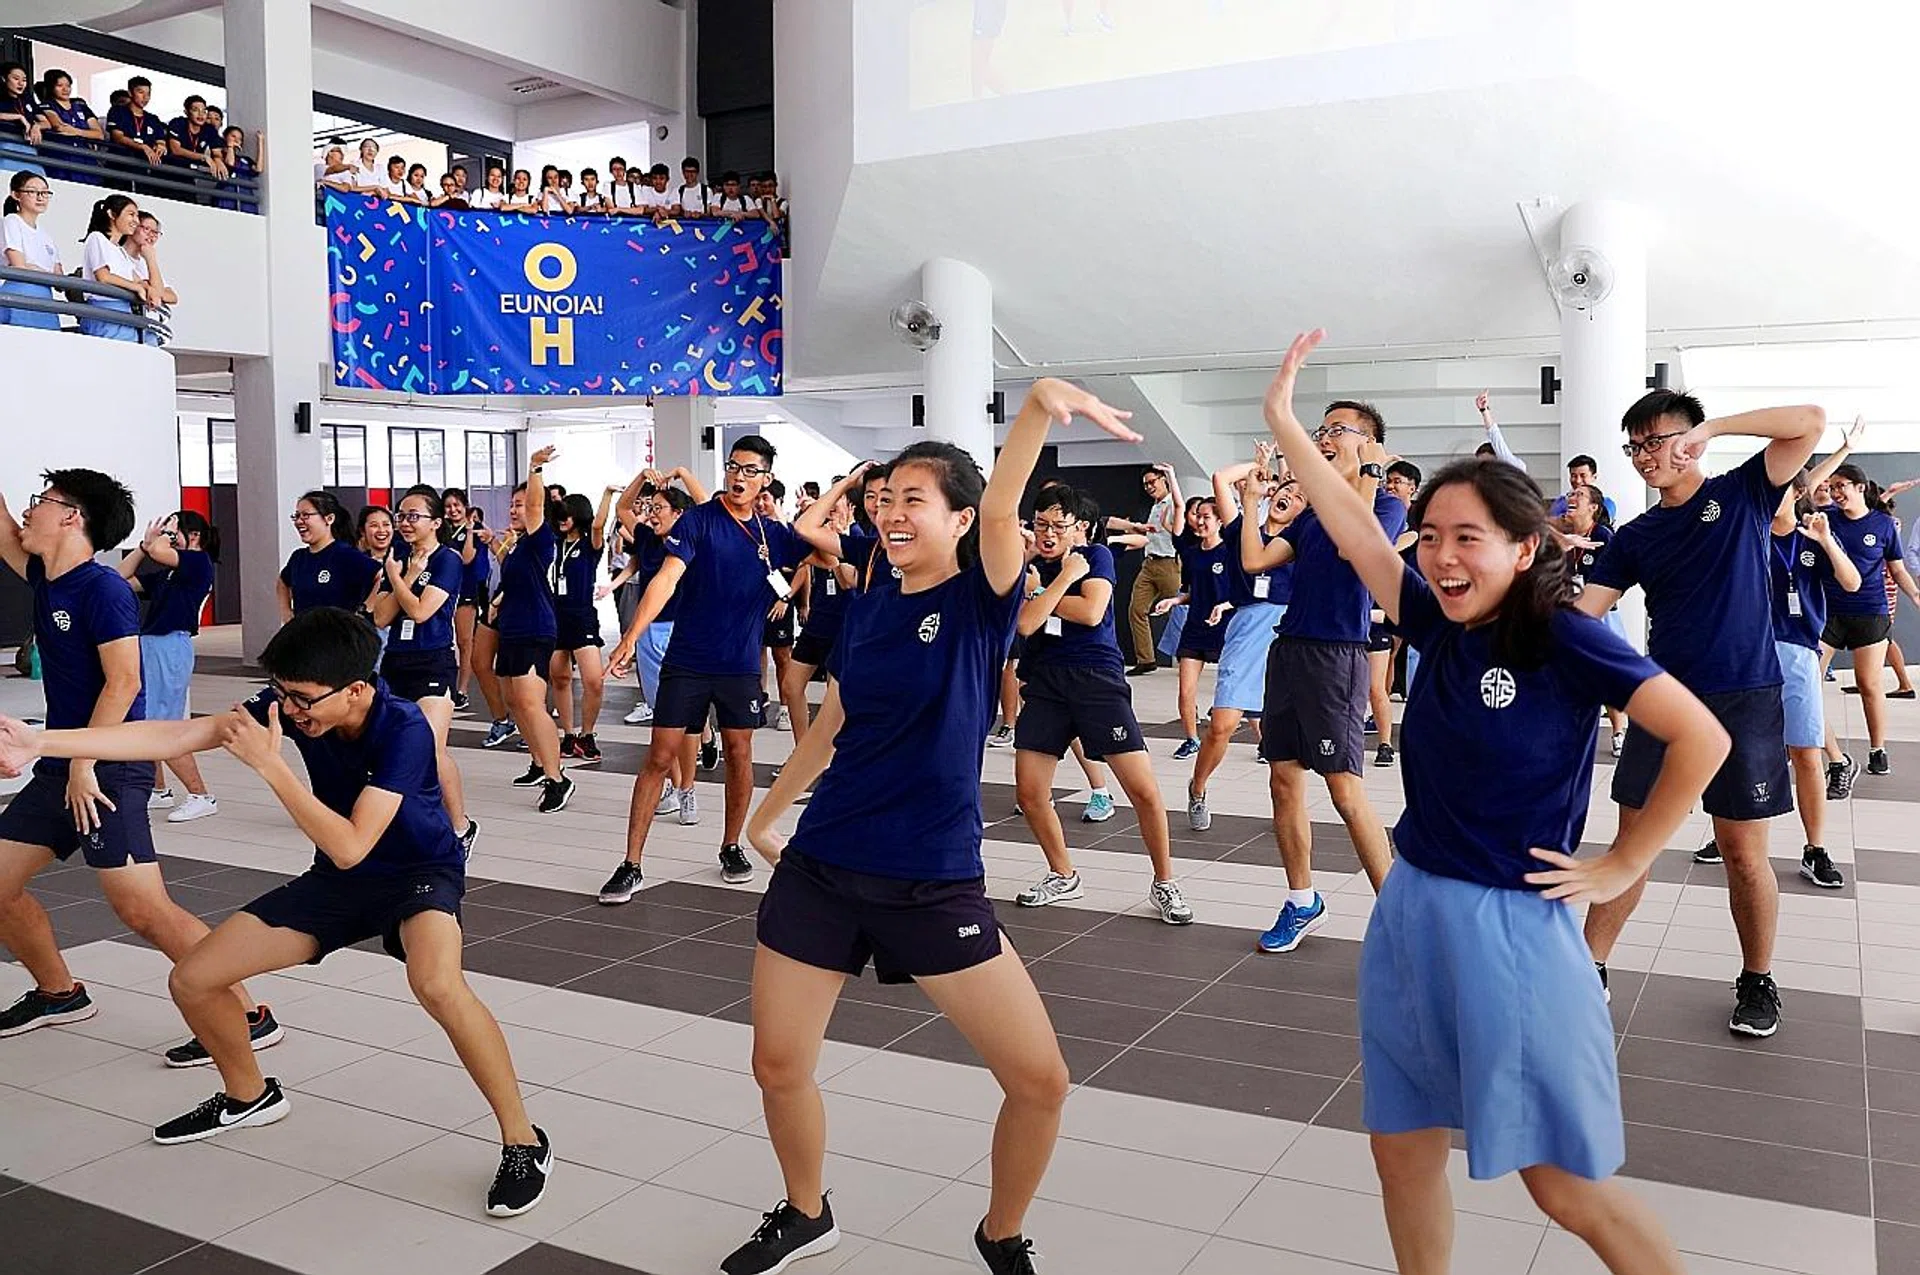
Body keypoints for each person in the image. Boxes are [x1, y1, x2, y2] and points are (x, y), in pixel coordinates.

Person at [1261, 328, 1722, 1275]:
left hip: (1512, 926)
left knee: (1562, 1184)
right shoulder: (1435, 614)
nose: (1441, 557)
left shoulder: (1562, 634)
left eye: (1467, 537)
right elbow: (1352, 528)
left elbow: (1700, 736)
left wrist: (1627, 860)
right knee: (1402, 1148)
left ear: (1523, 546)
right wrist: (1281, 420)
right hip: (1415, 906)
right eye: (1430, 537)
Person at [727, 379, 1140, 1275]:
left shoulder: (981, 602)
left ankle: (1000, 1230)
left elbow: (1004, 505)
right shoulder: (872, 606)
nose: (894, 513)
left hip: (931, 877)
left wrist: (1034, 408)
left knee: (1040, 1081)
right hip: (824, 867)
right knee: (778, 1063)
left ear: (958, 520)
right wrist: (766, 814)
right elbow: (836, 722)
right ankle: (806, 1210)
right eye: (888, 500)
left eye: (916, 499)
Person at [0, 609, 552, 1216]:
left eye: (304, 700)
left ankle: (524, 1140)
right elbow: (176, 735)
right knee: (194, 978)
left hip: (416, 876)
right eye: (284, 696)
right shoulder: (291, 701)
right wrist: (42, 742)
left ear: (358, 689)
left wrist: (270, 765)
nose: (290, 712)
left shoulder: (405, 729)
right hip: (337, 883)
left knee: (437, 983)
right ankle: (248, 1095)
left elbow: (351, 842)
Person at [0, 470, 277, 1064]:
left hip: (108, 765)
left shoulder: (103, 591)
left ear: (72, 517)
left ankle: (247, 1015)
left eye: (39, 504)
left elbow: (125, 682)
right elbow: (2, 527)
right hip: (64, 762)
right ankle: (58, 993)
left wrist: (84, 759)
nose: (27, 514)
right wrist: (69, 758)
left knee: (143, 910)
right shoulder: (47, 575)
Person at [1578, 388, 1824, 1037]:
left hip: (1745, 696)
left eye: (1654, 441)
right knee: (1633, 844)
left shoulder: (1743, 492)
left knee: (1744, 850)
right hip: (1665, 700)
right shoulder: (1637, 535)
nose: (1643, 456)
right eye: (1635, 446)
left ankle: (1757, 979)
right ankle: (1585, 966)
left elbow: (1808, 422)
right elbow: (1584, 614)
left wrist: (1716, 426)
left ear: (1689, 440)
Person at [602, 437, 807, 901]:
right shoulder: (698, 521)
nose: (739, 476)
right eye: (733, 467)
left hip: (738, 668)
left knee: (739, 752)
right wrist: (631, 637)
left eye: (750, 470)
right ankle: (631, 863)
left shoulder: (773, 534)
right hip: (687, 661)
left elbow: (823, 548)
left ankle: (731, 846)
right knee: (658, 757)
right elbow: (666, 577)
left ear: (766, 479)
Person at [1241, 392, 1404, 952]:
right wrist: (1251, 504)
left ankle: (1399, 919)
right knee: (1282, 779)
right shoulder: (1310, 513)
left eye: (1339, 430)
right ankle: (1301, 899)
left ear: (1370, 443)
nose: (1324, 437)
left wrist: (1372, 470)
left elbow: (1350, 542)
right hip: (1290, 651)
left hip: (1338, 656)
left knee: (1345, 792)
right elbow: (1256, 561)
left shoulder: (1385, 505)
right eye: (1322, 428)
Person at [1010, 484, 1193, 924]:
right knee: (1031, 793)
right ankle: (1063, 874)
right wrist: (1057, 582)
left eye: (1059, 525)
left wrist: (1044, 589)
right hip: (1044, 683)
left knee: (1143, 790)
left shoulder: (1097, 557)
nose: (1048, 534)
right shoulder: (1029, 567)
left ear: (1081, 528)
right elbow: (1028, 622)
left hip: (1096, 681)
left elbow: (1092, 613)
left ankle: (1164, 882)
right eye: (1041, 525)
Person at [1186, 449, 1302, 830]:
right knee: (1222, 725)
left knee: (1279, 739)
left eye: (1301, 497)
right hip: (1247, 630)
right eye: (1286, 489)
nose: (1291, 497)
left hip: (1287, 634)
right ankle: (1198, 788)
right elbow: (1220, 477)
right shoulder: (1241, 528)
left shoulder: (1302, 542)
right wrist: (1257, 467)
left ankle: (1284, 812)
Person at [370, 490, 478, 857]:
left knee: (430, 748)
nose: (404, 522)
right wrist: (401, 575)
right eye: (401, 515)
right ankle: (413, 825)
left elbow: (419, 612)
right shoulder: (397, 557)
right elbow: (381, 617)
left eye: (413, 516)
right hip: (396, 662)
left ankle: (461, 826)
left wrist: (403, 578)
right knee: (395, 747)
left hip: (433, 661)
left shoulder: (447, 560)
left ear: (435, 523)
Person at [603, 474, 706, 814]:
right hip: (649, 633)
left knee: (686, 718)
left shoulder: (692, 536)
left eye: (659, 508)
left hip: (684, 630)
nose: (651, 514)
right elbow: (621, 507)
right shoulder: (646, 537)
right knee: (664, 715)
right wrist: (640, 480)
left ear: (679, 513)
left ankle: (688, 788)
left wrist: (681, 473)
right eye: (650, 508)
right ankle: (676, 786)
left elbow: (704, 506)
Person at [118, 510, 221, 823]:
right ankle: (158, 790)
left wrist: (158, 542)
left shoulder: (199, 562)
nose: (168, 535)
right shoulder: (166, 573)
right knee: (148, 719)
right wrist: (142, 546)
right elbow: (120, 577)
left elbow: (161, 550)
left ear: (194, 536)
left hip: (170, 645)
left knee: (164, 723)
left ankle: (201, 795)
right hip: (150, 644)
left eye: (175, 529)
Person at [1819, 460, 1920, 779]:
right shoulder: (1826, 520)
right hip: (1828, 613)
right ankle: (1805, 741)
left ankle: (1878, 749)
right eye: (1832, 487)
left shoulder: (1884, 524)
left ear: (1860, 487)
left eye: (1841, 486)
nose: (1835, 493)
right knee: (1806, 683)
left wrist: (1916, 596)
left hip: (1869, 612)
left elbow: (1897, 568)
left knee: (1869, 683)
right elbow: (1807, 489)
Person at [493, 445, 573, 812]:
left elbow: (537, 507)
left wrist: (535, 468)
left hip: (534, 629)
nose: (516, 510)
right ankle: (539, 763)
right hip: (510, 628)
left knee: (529, 702)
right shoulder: (517, 546)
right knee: (514, 702)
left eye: (521, 504)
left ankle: (559, 778)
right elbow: (515, 583)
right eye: (512, 504)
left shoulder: (542, 539)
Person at [1154, 495, 1233, 758]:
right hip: (1195, 628)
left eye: (1206, 517)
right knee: (1185, 690)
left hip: (1225, 629)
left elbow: (1243, 594)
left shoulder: (1232, 552)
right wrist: (1174, 600)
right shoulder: (1191, 554)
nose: (1199, 521)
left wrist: (1224, 607)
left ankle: (1264, 740)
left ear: (1220, 520)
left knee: (1234, 688)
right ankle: (1191, 739)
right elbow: (1190, 591)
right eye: (1198, 516)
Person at [1563, 483, 1628, 756]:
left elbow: (1616, 581)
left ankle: (1619, 731)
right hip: (1570, 617)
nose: (1571, 497)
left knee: (1609, 677)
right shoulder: (1564, 537)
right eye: (1570, 493)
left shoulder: (1603, 536)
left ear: (1594, 507)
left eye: (1579, 495)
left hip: (1602, 619)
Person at [549, 493, 610, 765]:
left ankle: (587, 734)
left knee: (593, 681)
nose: (563, 519)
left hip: (582, 617)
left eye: (568, 514)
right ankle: (569, 735)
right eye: (559, 514)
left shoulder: (590, 545)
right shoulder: (554, 543)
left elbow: (598, 526)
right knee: (560, 679)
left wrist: (607, 494)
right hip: (554, 617)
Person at [1112, 463, 1185, 674]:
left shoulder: (1174, 503)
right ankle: (1146, 659)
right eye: (1145, 484)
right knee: (1136, 610)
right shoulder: (1155, 506)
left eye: (1152, 482)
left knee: (1180, 611)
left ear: (1164, 480)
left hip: (1169, 563)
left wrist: (1172, 474)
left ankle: (1191, 655)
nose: (1149, 487)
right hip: (1149, 562)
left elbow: (1179, 527)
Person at [276, 489, 379, 620]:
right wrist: (286, 612)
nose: (299, 521)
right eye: (297, 516)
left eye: (306, 515)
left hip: (339, 637)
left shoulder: (345, 555)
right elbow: (282, 582)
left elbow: (380, 576)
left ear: (329, 519)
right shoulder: (298, 558)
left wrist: (364, 610)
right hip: (304, 636)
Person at [78, 195, 155, 342]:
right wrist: (136, 288)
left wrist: (148, 288)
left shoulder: (120, 251)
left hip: (125, 312)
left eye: (137, 216)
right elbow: (104, 276)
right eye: (131, 214)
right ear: (112, 214)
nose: (136, 221)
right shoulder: (96, 238)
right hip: (104, 311)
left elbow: (138, 280)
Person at [441, 488, 487, 710]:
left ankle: (462, 689)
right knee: (444, 638)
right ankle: (446, 685)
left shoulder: (476, 529)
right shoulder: (441, 529)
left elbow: (468, 558)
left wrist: (469, 531)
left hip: (466, 589)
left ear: (465, 506)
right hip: (442, 589)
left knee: (465, 641)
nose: (453, 509)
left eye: (457, 505)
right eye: (448, 506)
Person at [2, 172, 64, 330]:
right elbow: (19, 265)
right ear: (16, 195)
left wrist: (35, 268)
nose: (40, 197)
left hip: (45, 299)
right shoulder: (11, 221)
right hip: (20, 294)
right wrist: (41, 272)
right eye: (32, 191)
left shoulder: (47, 236)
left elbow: (60, 281)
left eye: (44, 192)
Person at [36, 70, 105, 183]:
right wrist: (86, 133)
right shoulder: (47, 105)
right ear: (51, 87)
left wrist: (76, 131)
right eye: (60, 85)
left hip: (86, 160)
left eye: (68, 85)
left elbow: (99, 134)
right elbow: (58, 126)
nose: (65, 89)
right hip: (60, 159)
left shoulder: (81, 107)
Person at [104, 76, 169, 175]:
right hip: (118, 168)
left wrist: (161, 146)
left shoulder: (153, 119)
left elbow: (160, 140)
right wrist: (143, 147)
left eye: (148, 93)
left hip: (143, 171)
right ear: (130, 93)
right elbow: (118, 137)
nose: (145, 97)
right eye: (141, 92)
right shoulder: (117, 111)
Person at [164, 95, 228, 184]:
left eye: (204, 111)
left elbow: (216, 152)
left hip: (188, 175)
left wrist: (218, 160)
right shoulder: (178, 123)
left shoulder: (209, 129)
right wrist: (203, 157)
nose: (200, 114)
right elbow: (176, 150)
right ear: (186, 112)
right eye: (195, 110)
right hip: (168, 171)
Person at [1549, 454, 1619, 522]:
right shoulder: (1560, 502)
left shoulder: (1606, 503)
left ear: (1594, 477)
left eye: (1583, 475)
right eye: (1573, 476)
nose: (1578, 481)